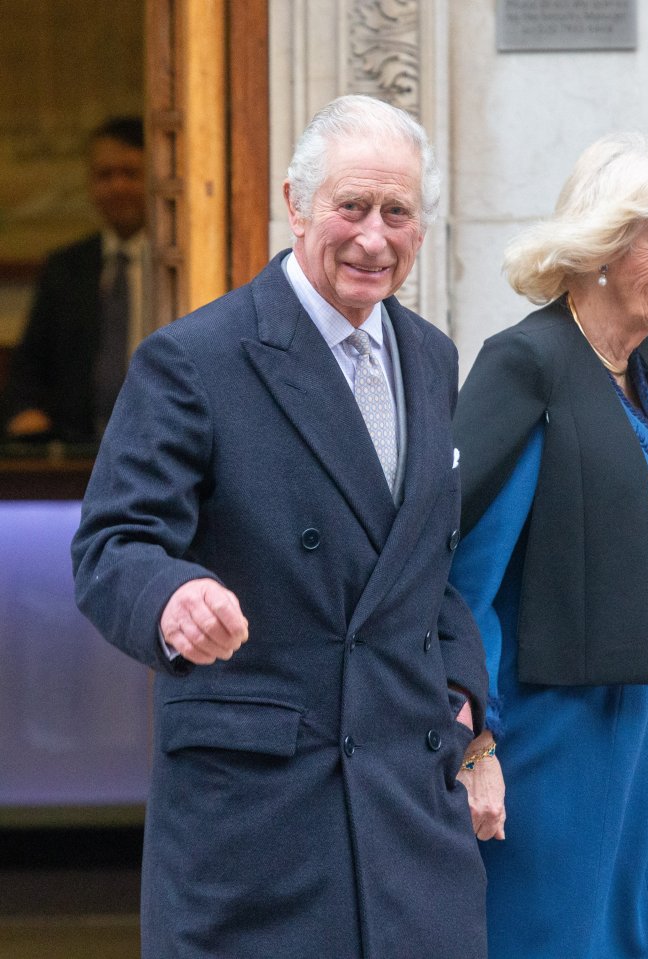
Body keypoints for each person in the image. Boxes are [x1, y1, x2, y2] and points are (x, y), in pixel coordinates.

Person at [71, 95, 488, 958]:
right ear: (296, 206)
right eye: (352, 207)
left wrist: (468, 715)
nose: (374, 237)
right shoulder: (196, 358)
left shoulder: (433, 357)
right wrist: (172, 595)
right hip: (262, 817)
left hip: (409, 802)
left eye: (398, 213)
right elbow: (112, 543)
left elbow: (428, 568)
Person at [449, 133, 648, 959]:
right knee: (567, 933)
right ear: (604, 251)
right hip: (568, 718)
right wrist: (473, 737)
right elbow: (463, 572)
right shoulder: (526, 362)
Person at [2, 116, 147, 442]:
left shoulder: (181, 262)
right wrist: (25, 412)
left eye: (130, 173)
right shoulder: (65, 267)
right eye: (104, 175)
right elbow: (29, 368)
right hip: (78, 453)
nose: (117, 186)